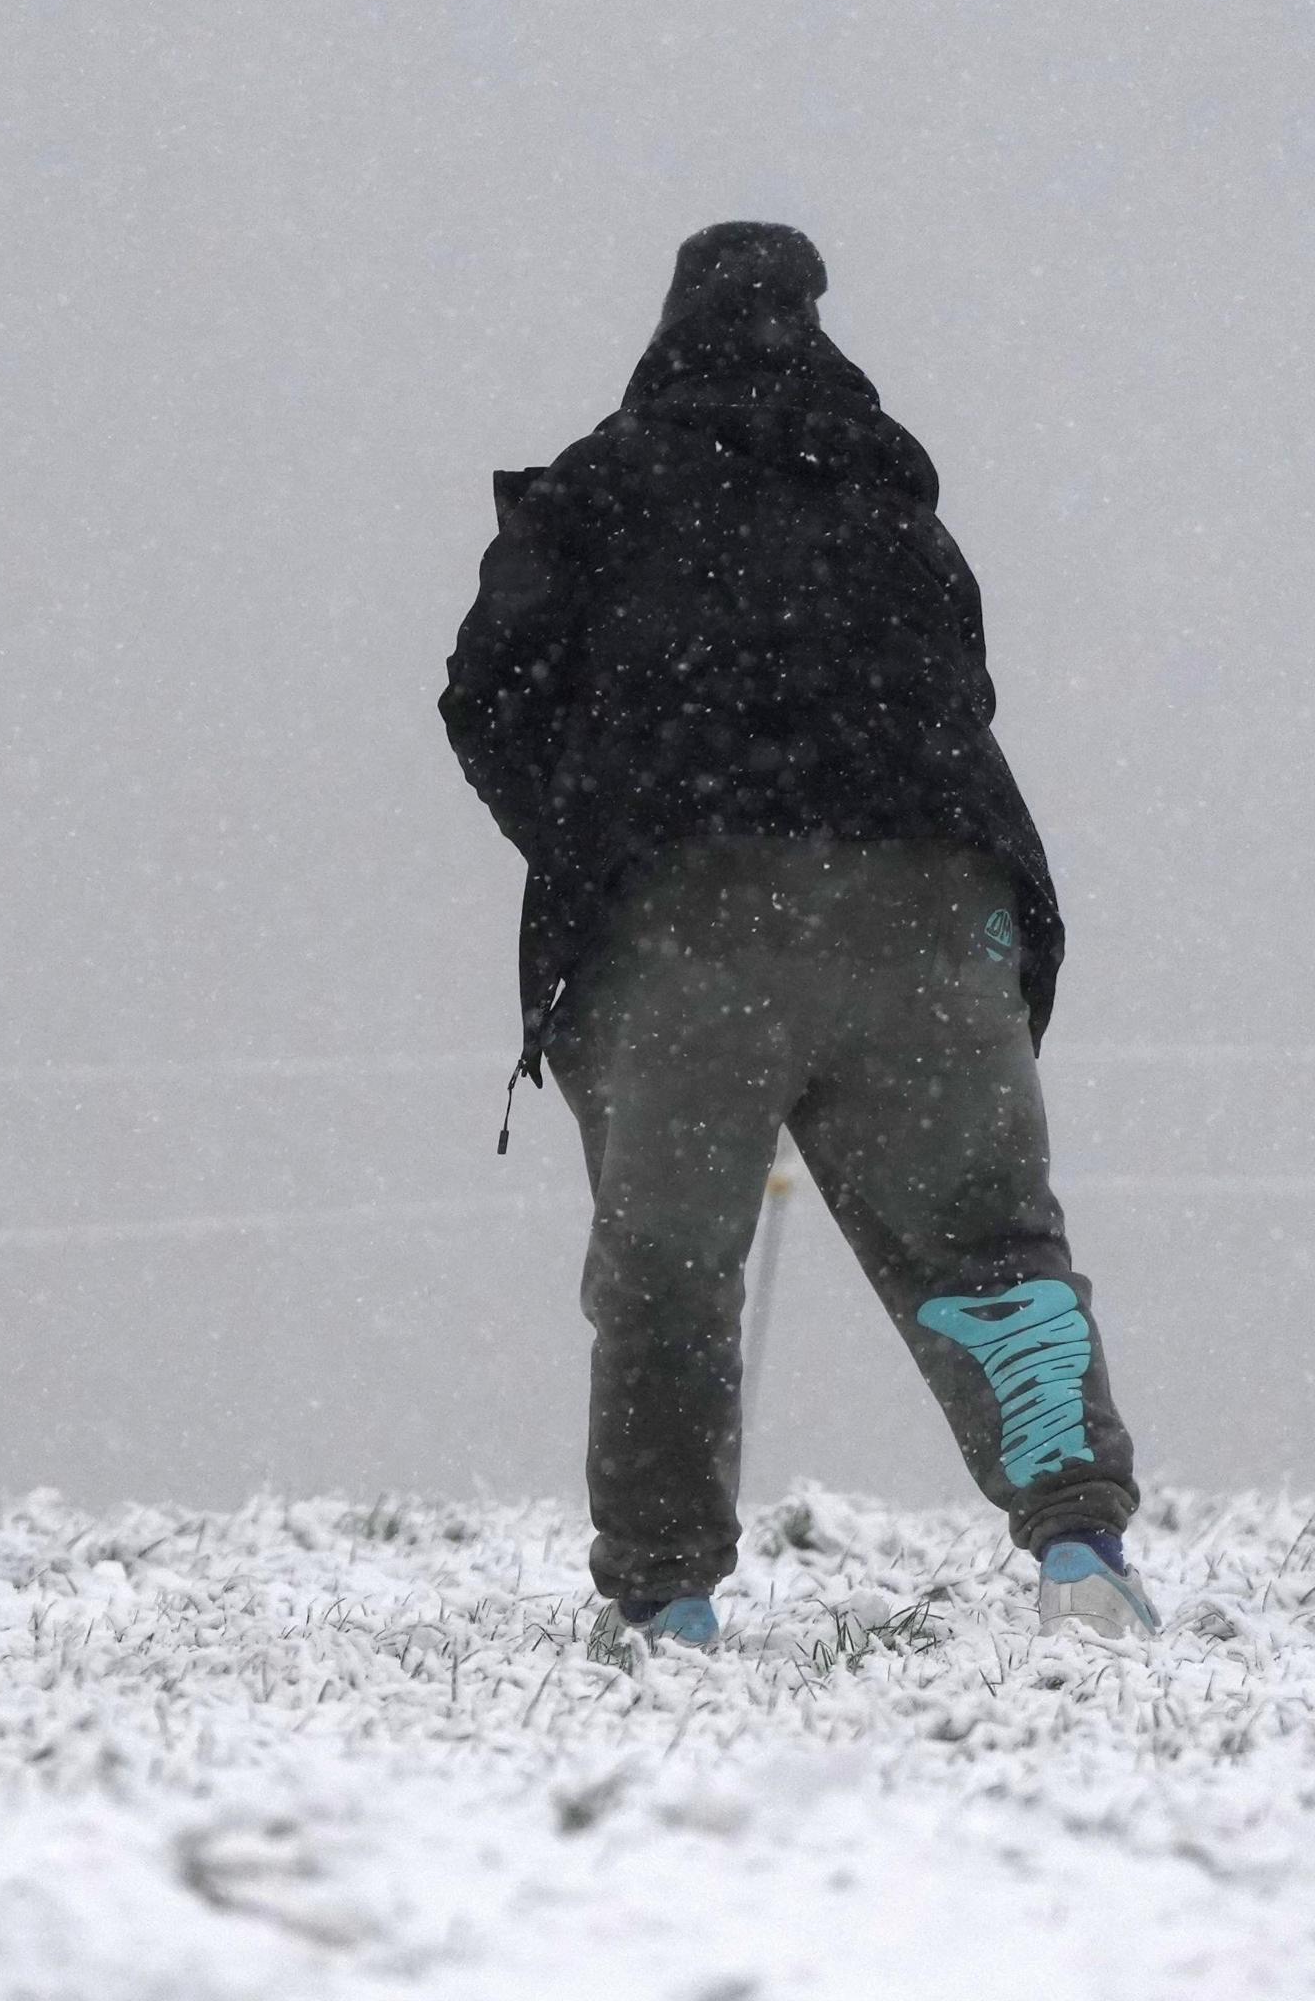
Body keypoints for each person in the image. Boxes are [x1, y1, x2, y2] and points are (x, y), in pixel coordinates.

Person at [443, 223, 1156, 1648]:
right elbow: (962, 694)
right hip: (933, 905)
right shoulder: (894, 503)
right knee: (992, 1249)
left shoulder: (598, 492)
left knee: (671, 1269)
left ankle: (667, 1600)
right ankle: (1082, 1557)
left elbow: (485, 694)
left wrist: (595, 834)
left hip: (689, 921)